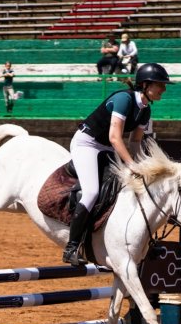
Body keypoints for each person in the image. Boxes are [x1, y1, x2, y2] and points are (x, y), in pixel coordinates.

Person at [62, 63, 173, 266]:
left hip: (105, 148)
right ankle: (71, 247)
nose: (163, 89)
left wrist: (143, 167)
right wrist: (131, 165)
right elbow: (115, 137)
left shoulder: (145, 111)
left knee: (126, 187)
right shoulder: (123, 99)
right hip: (86, 143)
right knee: (92, 192)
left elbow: (135, 142)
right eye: (160, 85)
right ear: (146, 84)